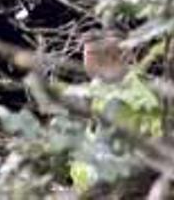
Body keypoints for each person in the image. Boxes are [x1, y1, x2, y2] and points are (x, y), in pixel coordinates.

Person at [68, 31, 161, 193]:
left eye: (88, 54)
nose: (85, 63)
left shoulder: (120, 103)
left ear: (109, 56)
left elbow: (108, 169)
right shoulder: (115, 87)